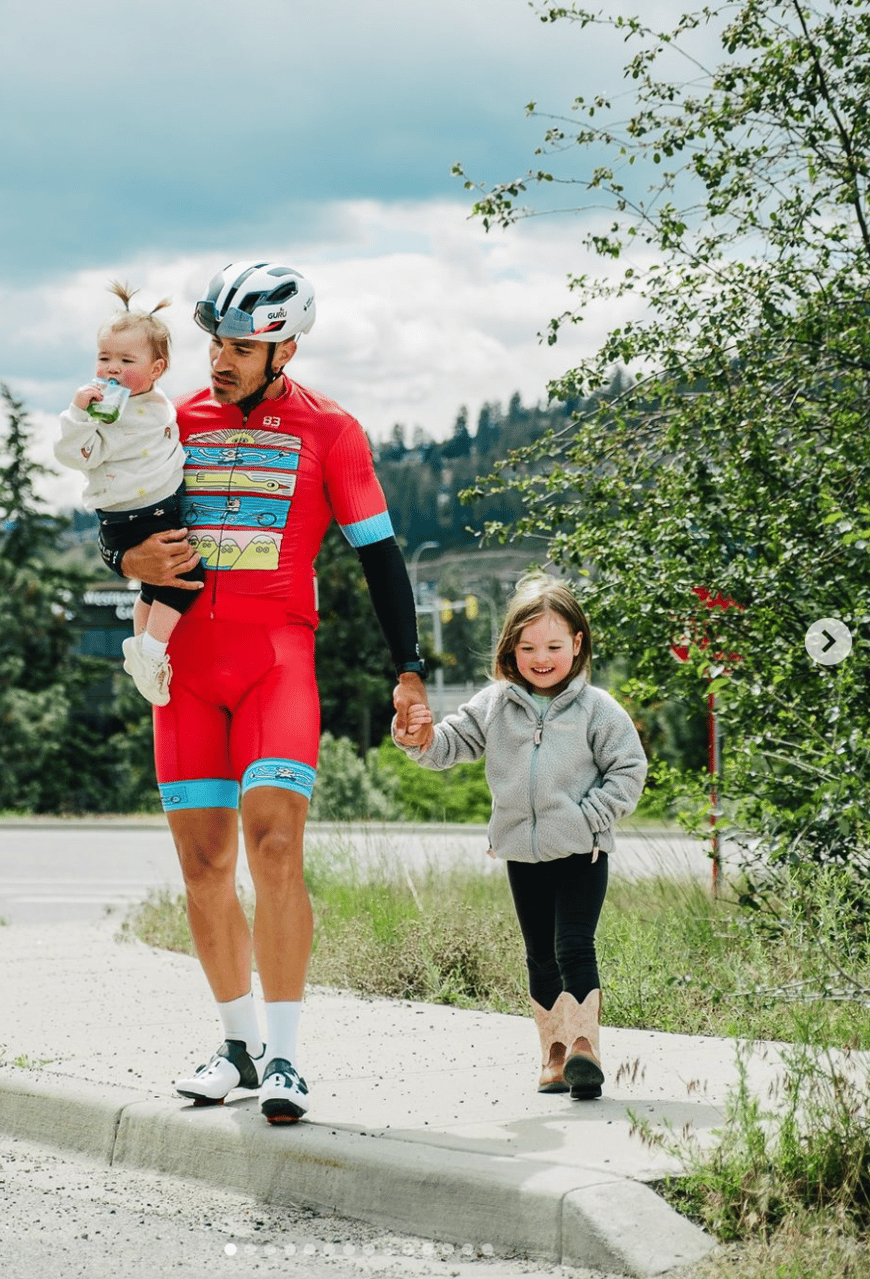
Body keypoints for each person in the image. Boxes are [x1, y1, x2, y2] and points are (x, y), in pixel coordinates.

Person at [109, 261, 429, 1123]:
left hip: (275, 664)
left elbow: (380, 557)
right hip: (187, 672)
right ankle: (238, 1045)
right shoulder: (174, 421)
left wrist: (410, 669)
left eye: (242, 347)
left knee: (275, 848)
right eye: (216, 342)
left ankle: (287, 1058)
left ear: (284, 346)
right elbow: (124, 523)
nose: (222, 359)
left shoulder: (332, 430)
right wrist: (127, 561)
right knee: (204, 865)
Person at [393, 573, 647, 1100]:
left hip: (582, 850)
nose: (541, 657)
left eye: (554, 646)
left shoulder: (597, 709)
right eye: (528, 646)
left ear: (577, 645)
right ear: (511, 649)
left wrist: (588, 816)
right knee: (538, 954)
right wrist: (417, 737)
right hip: (521, 855)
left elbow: (629, 769)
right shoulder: (495, 704)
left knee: (573, 944)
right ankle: (553, 1057)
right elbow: (448, 745)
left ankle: (584, 1048)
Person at [54, 282, 204, 706]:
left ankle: (141, 649)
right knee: (186, 578)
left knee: (153, 591)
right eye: (104, 359)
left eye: (125, 360)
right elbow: (75, 455)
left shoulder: (159, 403)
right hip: (130, 515)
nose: (112, 369)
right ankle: (151, 654)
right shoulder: (102, 412)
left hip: (160, 508)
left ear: (157, 370)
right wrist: (78, 416)